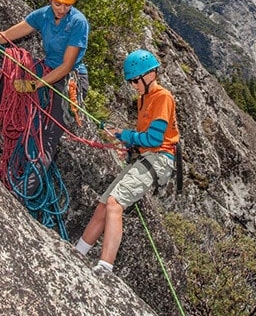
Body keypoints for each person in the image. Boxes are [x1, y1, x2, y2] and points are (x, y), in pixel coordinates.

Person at [74, 49, 179, 274]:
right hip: (147, 156)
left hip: (159, 158)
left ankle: (105, 266)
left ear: (149, 75)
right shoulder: (144, 99)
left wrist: (124, 135)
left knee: (115, 203)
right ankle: (77, 252)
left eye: (135, 80)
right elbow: (145, 138)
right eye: (131, 82)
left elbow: (154, 138)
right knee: (103, 205)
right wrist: (128, 142)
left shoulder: (162, 97)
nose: (133, 85)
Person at [0, 0, 90, 162]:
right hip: (49, 67)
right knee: (12, 71)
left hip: (70, 77)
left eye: (67, 4)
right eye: (58, 2)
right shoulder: (42, 15)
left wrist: (35, 85)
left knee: (48, 136)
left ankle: (25, 185)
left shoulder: (78, 22)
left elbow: (67, 66)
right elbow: (6, 36)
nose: (61, 8)